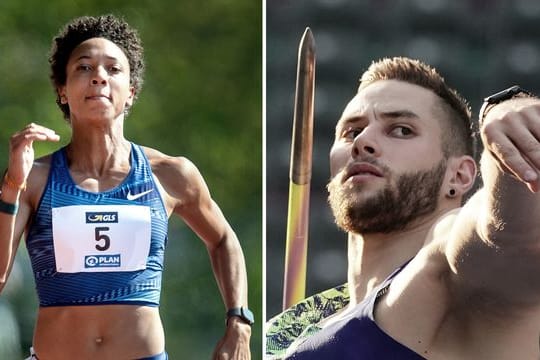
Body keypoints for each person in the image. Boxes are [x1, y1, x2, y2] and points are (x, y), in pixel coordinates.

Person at [0, 14, 253, 360]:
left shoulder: (170, 174)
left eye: (113, 69)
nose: (99, 77)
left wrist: (239, 321)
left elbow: (223, 239)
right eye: (84, 68)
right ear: (62, 90)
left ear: (131, 92)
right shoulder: (35, 178)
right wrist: (12, 185)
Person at [266, 56, 540, 359]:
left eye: (401, 130)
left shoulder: (450, 277)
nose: (363, 141)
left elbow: (501, 233)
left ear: (459, 175)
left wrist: (507, 119)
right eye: (350, 132)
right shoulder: (290, 328)